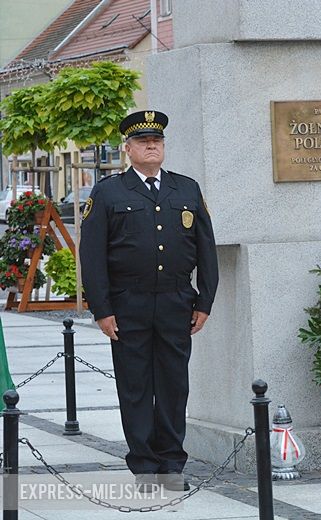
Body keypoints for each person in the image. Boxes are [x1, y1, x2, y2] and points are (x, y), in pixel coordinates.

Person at [80, 110, 219, 491]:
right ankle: (144, 466)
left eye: (157, 140)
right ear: (127, 149)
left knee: (174, 385)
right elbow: (92, 255)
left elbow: (206, 249)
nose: (151, 146)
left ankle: (172, 465)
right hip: (129, 303)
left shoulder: (186, 189)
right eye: (143, 141)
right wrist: (102, 309)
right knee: (136, 386)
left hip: (176, 301)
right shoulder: (109, 193)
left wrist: (205, 301)